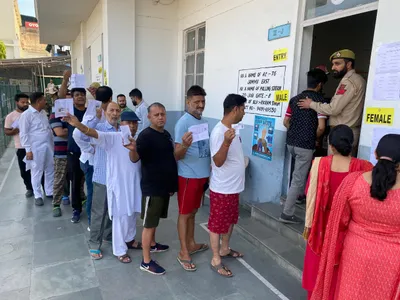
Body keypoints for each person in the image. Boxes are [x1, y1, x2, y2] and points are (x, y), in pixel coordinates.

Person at [311, 134, 400, 300]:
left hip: (355, 254)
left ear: (375, 154)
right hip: (392, 261)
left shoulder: (353, 182)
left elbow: (339, 224)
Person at [302, 125, 373, 299]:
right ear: (352, 144)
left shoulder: (319, 164)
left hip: (321, 227)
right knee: (341, 272)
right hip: (348, 229)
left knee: (317, 269)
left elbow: (308, 192)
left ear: (331, 145)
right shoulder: (364, 167)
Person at [64, 106, 143, 263]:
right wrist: (87, 145)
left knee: (116, 212)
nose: (114, 113)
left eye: (117, 111)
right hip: (103, 177)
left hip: (121, 181)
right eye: (111, 110)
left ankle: (109, 236)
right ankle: (94, 243)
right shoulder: (100, 127)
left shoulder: (126, 134)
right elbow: (80, 135)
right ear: (104, 112)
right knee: (100, 211)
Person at [280, 68, 329, 224]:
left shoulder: (294, 99)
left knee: (299, 171)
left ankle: (299, 195)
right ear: (320, 84)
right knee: (298, 178)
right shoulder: (320, 102)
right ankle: (287, 214)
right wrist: (312, 136)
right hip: (306, 145)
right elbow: (321, 127)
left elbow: (286, 122)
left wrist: (295, 132)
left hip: (291, 144)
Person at [135, 103, 178, 275]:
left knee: (155, 222)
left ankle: (153, 245)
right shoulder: (145, 137)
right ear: (149, 117)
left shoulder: (166, 134)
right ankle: (146, 261)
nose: (160, 117)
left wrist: (171, 185)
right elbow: (135, 157)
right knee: (149, 224)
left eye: (163, 114)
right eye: (156, 115)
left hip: (163, 186)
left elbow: (169, 160)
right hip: (152, 187)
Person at [298, 49, 366, 157]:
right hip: (349, 130)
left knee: (336, 167)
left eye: (337, 64)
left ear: (349, 64)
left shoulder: (348, 82)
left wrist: (311, 104)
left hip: (342, 133)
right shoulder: (359, 79)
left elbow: (333, 109)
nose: (333, 67)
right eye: (333, 64)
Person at [208, 94, 246, 278]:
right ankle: (216, 259)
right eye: (243, 108)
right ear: (235, 109)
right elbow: (217, 161)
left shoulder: (231, 129)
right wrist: (226, 142)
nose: (244, 112)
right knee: (217, 225)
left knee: (230, 221)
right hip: (222, 189)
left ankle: (224, 249)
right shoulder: (219, 133)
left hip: (233, 188)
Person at [174, 85, 210, 271]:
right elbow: (176, 154)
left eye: (203, 101)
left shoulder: (202, 121)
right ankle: (183, 252)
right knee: (184, 213)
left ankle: (191, 243)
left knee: (194, 212)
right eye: (196, 102)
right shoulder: (183, 123)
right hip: (188, 176)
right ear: (188, 102)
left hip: (202, 176)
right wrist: (185, 146)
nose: (200, 105)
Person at [19, 92, 54, 206]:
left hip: (48, 145)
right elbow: (23, 134)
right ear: (38, 101)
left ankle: (49, 191)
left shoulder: (43, 112)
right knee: (37, 171)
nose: (45, 102)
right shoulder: (26, 115)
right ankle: (38, 195)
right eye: (44, 100)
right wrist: (28, 150)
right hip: (35, 148)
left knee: (50, 168)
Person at [4, 93, 33, 198]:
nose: (25, 104)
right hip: (21, 147)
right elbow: (7, 131)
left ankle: (41, 187)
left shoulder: (32, 113)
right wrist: (15, 131)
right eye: (23, 102)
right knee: (25, 169)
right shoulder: (11, 116)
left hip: (35, 145)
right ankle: (29, 188)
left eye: (27, 102)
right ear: (17, 102)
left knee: (38, 168)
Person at [67, 88, 87, 223]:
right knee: (76, 181)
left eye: (82, 95)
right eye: (77, 95)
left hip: (90, 151)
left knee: (92, 181)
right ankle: (76, 209)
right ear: (72, 98)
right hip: (75, 152)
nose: (80, 97)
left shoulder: (90, 112)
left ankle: (92, 206)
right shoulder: (69, 113)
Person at [49, 104, 69, 217]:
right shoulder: (55, 115)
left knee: (78, 178)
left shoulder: (74, 114)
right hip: (61, 153)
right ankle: (56, 204)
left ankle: (81, 197)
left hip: (75, 151)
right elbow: (60, 133)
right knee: (59, 178)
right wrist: (72, 128)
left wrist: (67, 129)